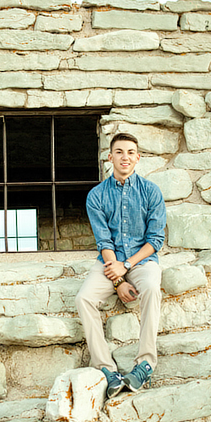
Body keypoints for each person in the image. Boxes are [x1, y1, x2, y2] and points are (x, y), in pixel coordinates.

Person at [75, 132, 166, 399]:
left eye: (130, 152)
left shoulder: (151, 192)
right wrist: (117, 280)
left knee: (151, 288)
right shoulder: (96, 195)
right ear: (110, 157)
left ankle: (145, 363)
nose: (124, 157)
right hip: (109, 262)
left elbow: (155, 240)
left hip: (141, 260)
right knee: (83, 298)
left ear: (138, 157)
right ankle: (106, 368)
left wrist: (126, 266)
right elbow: (103, 239)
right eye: (119, 152)